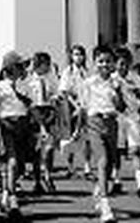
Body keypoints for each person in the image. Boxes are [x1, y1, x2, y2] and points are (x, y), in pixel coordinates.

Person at [79, 46, 126, 223]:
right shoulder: (88, 83)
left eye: (108, 61)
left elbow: (121, 107)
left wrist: (118, 92)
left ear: (113, 63)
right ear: (95, 63)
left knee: (110, 163)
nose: (104, 64)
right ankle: (106, 207)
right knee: (102, 160)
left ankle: (99, 190)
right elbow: (83, 108)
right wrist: (78, 130)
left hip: (111, 122)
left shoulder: (117, 82)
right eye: (100, 61)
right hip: (94, 122)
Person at [0, 51, 33, 217]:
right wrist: (0, 124)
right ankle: (13, 198)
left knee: (20, 164)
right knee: (12, 161)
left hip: (23, 124)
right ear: (9, 68)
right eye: (19, 66)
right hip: (7, 124)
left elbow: (30, 104)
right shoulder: (0, 87)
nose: (22, 70)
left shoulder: (25, 84)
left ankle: (6, 193)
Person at [111, 47, 140, 200]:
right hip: (117, 118)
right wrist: (118, 91)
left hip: (132, 118)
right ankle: (116, 180)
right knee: (117, 151)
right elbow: (116, 105)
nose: (122, 67)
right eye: (119, 64)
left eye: (125, 64)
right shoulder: (111, 79)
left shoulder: (135, 78)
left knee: (135, 150)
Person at [26, 51, 59, 194]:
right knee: (37, 149)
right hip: (35, 112)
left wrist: (55, 99)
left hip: (48, 110)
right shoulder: (29, 80)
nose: (47, 67)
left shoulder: (51, 78)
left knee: (49, 147)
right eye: (45, 64)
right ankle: (38, 179)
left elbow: (56, 92)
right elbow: (28, 99)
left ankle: (48, 174)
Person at [58, 44, 93, 179]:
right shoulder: (68, 72)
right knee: (71, 138)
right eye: (75, 54)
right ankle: (70, 166)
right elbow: (64, 92)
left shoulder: (88, 72)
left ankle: (87, 167)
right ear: (71, 57)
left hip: (87, 108)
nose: (78, 57)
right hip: (72, 108)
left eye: (80, 54)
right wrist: (76, 106)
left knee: (87, 139)